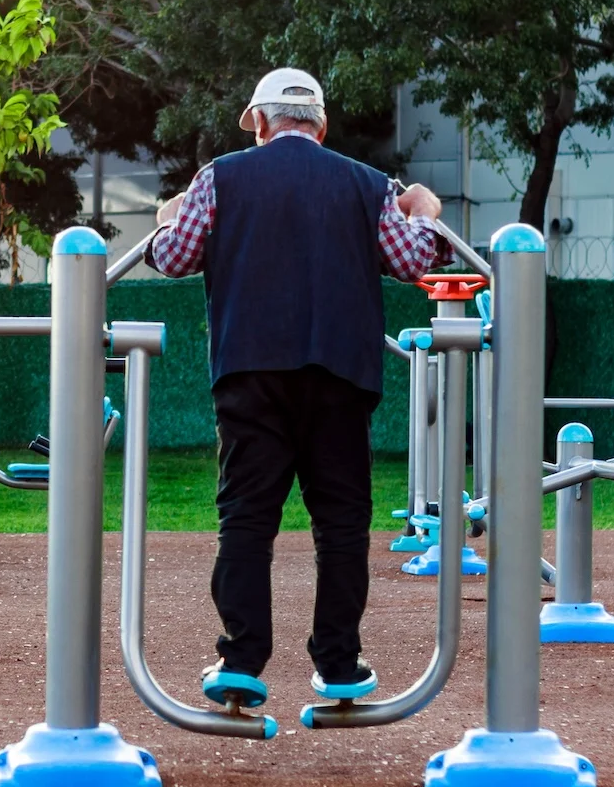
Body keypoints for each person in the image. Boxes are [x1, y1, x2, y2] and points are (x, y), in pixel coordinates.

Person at [148, 67, 451, 710]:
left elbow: (173, 257)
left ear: (259, 123)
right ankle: (339, 664)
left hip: (250, 370)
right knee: (342, 525)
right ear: (322, 123)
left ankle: (241, 660)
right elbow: (411, 261)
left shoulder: (221, 177)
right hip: (341, 374)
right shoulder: (367, 185)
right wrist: (425, 212)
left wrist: (163, 217)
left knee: (247, 520)